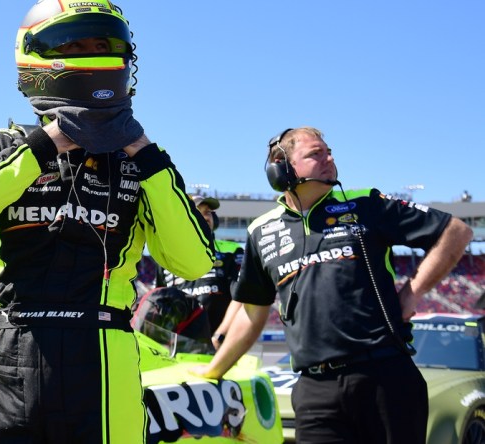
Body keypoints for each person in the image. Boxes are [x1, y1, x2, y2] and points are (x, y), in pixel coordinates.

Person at [0, 2, 215, 443]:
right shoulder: (7, 143)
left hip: (104, 345)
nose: (94, 53)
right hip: (17, 341)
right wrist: (49, 142)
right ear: (38, 55)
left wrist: (147, 157)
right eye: (77, 43)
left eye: (103, 44)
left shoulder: (141, 162)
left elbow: (194, 262)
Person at [190, 127, 473, 443]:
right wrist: (214, 371)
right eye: (315, 154)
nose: (329, 158)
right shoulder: (260, 230)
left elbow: (456, 232)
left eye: (329, 151)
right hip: (315, 390)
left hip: (385, 377)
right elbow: (251, 314)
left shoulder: (366, 203)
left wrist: (414, 291)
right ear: (281, 166)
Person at [141, 195, 243, 349]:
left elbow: (241, 298)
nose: (205, 217)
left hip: (222, 348)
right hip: (177, 352)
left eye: (208, 212)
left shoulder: (232, 251)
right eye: (197, 212)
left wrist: (219, 337)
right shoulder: (166, 257)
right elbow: (158, 304)